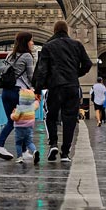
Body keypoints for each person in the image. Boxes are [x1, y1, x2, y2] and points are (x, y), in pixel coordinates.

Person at [34, 20, 93, 163]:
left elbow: (42, 70)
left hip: (55, 87)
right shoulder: (77, 45)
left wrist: (38, 89)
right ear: (67, 30)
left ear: (54, 31)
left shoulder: (48, 46)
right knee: (70, 119)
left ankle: (53, 143)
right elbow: (88, 64)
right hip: (72, 86)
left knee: (51, 116)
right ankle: (65, 153)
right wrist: (75, 74)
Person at [0, 31, 35, 160]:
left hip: (6, 92)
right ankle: (0, 146)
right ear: (26, 42)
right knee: (19, 122)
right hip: (19, 93)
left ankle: (22, 151)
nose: (32, 43)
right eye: (31, 40)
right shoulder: (27, 56)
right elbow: (31, 76)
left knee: (13, 121)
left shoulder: (10, 55)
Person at [10, 88, 40, 164]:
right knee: (29, 142)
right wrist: (37, 99)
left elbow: (15, 117)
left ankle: (20, 157)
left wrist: (12, 114)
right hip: (29, 128)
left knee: (18, 143)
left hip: (19, 129)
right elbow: (37, 104)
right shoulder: (32, 106)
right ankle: (34, 151)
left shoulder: (19, 108)